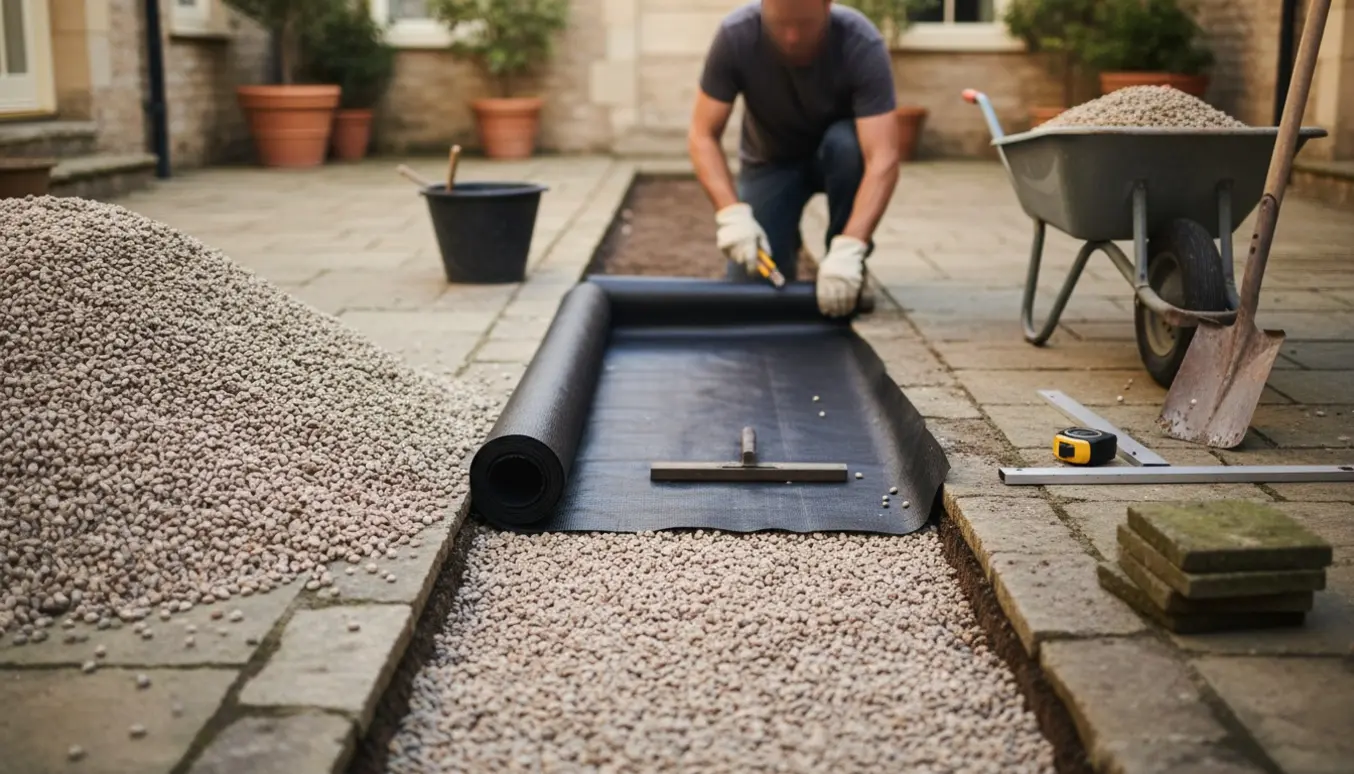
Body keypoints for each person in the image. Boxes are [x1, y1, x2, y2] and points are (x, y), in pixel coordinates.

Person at [687, 0, 901, 317]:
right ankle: (785, 233)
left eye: (804, 25)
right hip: (771, 160)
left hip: (839, 157)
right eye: (780, 24)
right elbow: (702, 135)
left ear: (827, 8)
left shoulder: (860, 42)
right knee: (753, 288)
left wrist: (851, 247)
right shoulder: (736, 36)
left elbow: (883, 157)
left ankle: (844, 261)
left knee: (848, 146)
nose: (791, 37)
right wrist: (731, 215)